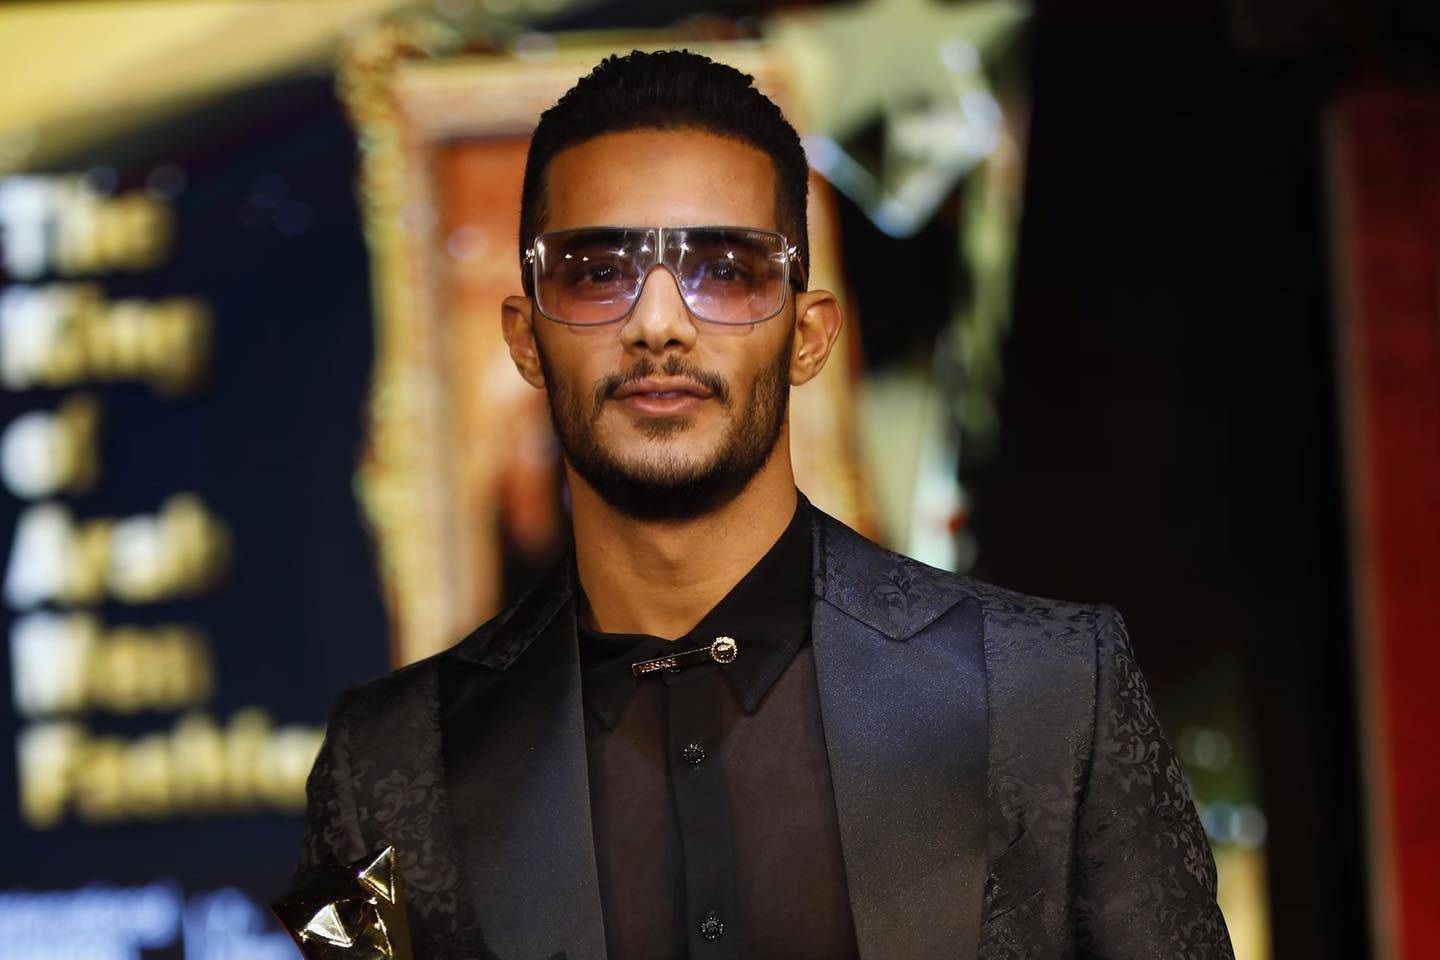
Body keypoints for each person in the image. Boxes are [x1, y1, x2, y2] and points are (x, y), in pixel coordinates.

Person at [292, 49, 1234, 960]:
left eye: (724, 269)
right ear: (526, 338)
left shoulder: (1053, 692)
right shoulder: (389, 765)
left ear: (810, 335)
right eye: (600, 271)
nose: (658, 322)